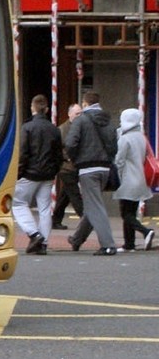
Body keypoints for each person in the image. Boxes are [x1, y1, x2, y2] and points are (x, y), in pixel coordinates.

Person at [64, 90, 119, 255]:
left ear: (85, 103)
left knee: (95, 206)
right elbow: (115, 145)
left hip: (88, 167)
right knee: (92, 205)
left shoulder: (81, 120)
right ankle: (77, 239)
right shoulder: (108, 121)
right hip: (105, 168)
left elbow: (70, 143)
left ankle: (108, 245)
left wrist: (74, 159)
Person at [11, 94, 64, 254]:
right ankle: (44, 243)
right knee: (45, 209)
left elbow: (23, 153)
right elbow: (58, 155)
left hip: (30, 173)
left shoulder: (27, 128)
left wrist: (19, 172)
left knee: (18, 203)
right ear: (47, 109)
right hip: (48, 174)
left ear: (32, 108)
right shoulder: (54, 129)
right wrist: (54, 170)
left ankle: (34, 234)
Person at [112, 108, 156, 251]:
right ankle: (129, 243)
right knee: (131, 211)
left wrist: (114, 178)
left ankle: (145, 231)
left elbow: (119, 161)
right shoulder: (142, 137)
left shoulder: (125, 138)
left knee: (125, 213)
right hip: (140, 179)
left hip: (127, 180)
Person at [52, 103, 83, 230]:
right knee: (75, 195)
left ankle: (55, 220)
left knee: (65, 195)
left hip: (75, 166)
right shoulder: (62, 130)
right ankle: (86, 219)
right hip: (66, 167)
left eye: (81, 113)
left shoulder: (81, 127)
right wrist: (66, 158)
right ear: (69, 114)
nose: (79, 116)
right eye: (77, 114)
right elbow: (59, 149)